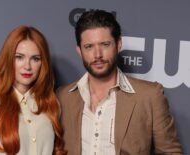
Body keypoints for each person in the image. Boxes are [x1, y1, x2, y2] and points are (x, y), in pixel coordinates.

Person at [56, 10, 183, 155]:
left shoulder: (150, 96)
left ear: (119, 44)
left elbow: (170, 152)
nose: (97, 54)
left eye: (105, 44)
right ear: (79, 50)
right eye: (89, 46)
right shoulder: (62, 97)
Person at [0, 25, 66, 155]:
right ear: (8, 58)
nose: (27, 66)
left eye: (35, 59)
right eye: (19, 57)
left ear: (43, 64)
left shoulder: (51, 105)